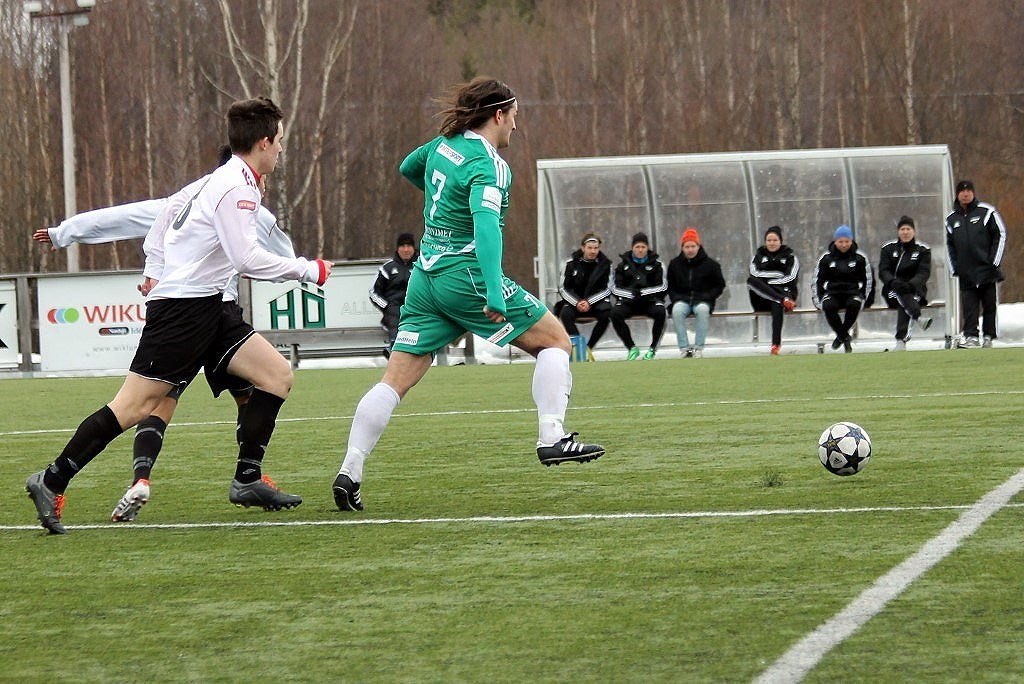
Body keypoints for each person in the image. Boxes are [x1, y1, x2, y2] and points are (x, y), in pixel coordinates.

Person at [25, 97, 334, 534]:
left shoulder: (222, 180)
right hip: (183, 310)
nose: (282, 148)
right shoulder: (236, 188)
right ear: (264, 142)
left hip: (211, 306)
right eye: (280, 140)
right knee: (135, 406)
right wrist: (308, 269)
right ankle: (51, 479)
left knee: (276, 376)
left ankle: (247, 479)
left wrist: (154, 267)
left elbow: (165, 216)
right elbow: (245, 258)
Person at [331, 77, 604, 512]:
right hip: (467, 277)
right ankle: (552, 436)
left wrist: (444, 204)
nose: (515, 125)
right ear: (498, 114)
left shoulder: (443, 145)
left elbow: (407, 167)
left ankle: (351, 468)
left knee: (394, 381)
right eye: (514, 116)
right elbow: (486, 228)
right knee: (555, 341)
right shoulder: (489, 165)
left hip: (425, 278)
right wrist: (494, 291)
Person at [945, 179, 1006, 348]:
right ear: (957, 194)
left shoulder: (987, 212)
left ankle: (988, 336)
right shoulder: (951, 219)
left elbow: (1000, 234)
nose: (966, 194)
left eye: (969, 191)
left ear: (973, 193)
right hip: (966, 272)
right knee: (969, 307)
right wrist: (955, 268)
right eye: (962, 191)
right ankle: (971, 336)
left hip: (987, 269)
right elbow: (949, 245)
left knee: (989, 305)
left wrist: (994, 261)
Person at [812, 225, 874, 353]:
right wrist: (818, 300)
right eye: (840, 242)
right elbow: (817, 281)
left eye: (847, 241)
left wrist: (866, 298)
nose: (844, 245)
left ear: (851, 241)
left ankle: (841, 336)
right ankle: (845, 337)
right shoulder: (826, 258)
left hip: (852, 292)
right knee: (828, 306)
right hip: (833, 292)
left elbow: (868, 280)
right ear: (835, 241)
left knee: (854, 304)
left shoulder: (860, 258)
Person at [553, 232, 613, 361]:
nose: (593, 251)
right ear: (583, 248)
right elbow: (563, 288)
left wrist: (589, 302)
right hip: (575, 302)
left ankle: (589, 348)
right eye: (590, 248)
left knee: (607, 315)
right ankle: (580, 348)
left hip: (596, 303)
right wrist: (577, 302)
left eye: (596, 248)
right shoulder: (570, 264)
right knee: (565, 314)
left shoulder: (606, 264)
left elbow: (608, 288)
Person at [666, 227, 725, 358]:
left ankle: (698, 348)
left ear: (698, 246)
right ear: (682, 248)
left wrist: (709, 296)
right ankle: (684, 348)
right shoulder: (674, 264)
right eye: (687, 247)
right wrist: (675, 298)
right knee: (676, 311)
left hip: (703, 300)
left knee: (703, 311)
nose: (690, 250)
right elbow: (670, 285)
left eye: (693, 246)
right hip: (682, 299)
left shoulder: (711, 265)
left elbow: (719, 285)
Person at [878, 215, 933, 351]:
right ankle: (917, 318)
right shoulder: (888, 248)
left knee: (905, 298)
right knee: (901, 294)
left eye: (908, 229)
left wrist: (911, 284)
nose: (905, 232)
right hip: (892, 289)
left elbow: (924, 273)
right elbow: (883, 271)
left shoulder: (923, 250)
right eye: (902, 229)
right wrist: (893, 282)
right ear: (898, 231)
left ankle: (900, 341)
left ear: (914, 231)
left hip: (915, 289)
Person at [611, 232, 668, 360]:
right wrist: (632, 294)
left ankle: (652, 349)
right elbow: (614, 288)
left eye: (643, 247)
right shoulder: (622, 265)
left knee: (661, 312)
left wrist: (643, 293)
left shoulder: (657, 264)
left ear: (647, 248)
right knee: (615, 313)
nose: (640, 250)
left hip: (650, 301)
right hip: (629, 302)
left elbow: (663, 286)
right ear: (632, 248)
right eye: (637, 247)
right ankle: (632, 348)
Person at [746, 225, 799, 355]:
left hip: (783, 292)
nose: (772, 243)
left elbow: (791, 277)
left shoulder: (790, 257)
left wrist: (768, 283)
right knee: (751, 281)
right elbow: (754, 274)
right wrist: (777, 275)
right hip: (762, 299)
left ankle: (775, 345)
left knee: (776, 304)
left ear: (781, 241)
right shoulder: (758, 256)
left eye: (775, 240)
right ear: (765, 242)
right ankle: (782, 300)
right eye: (769, 240)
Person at [370, 232, 418, 356]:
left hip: (417, 308)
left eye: (409, 246)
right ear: (397, 248)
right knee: (395, 316)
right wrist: (386, 306)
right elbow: (374, 292)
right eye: (403, 246)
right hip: (394, 311)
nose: (406, 250)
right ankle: (395, 348)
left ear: (414, 248)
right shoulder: (387, 268)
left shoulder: (422, 266)